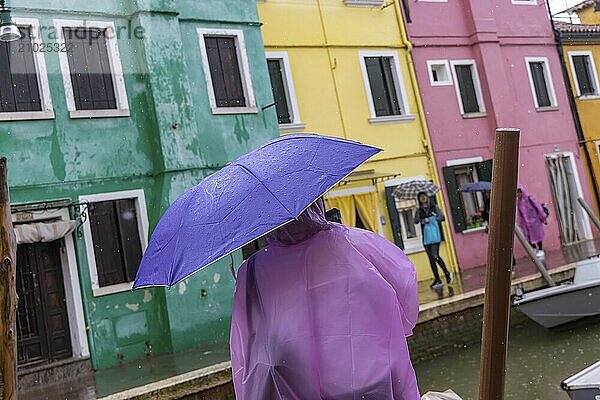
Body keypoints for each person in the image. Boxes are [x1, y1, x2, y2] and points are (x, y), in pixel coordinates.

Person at [230, 199, 420, 400]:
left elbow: (245, 348)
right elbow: (406, 292)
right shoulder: (356, 243)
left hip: (294, 386)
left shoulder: (252, 271)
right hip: (373, 380)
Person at [414, 192, 452, 288]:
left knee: (435, 255)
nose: (423, 198)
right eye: (421, 197)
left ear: (427, 197)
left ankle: (447, 273)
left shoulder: (434, 207)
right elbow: (416, 221)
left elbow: (442, 217)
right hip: (426, 237)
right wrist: (417, 212)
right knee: (431, 259)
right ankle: (437, 279)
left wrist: (432, 219)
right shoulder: (419, 210)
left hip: (435, 235)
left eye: (424, 196)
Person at [516, 184, 548, 258]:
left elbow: (539, 208)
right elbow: (519, 214)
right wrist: (520, 224)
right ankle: (535, 249)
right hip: (526, 224)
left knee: (538, 236)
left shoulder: (530, 199)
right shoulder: (519, 202)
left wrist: (543, 218)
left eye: (518, 192)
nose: (518, 194)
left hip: (535, 221)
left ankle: (540, 249)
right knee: (528, 237)